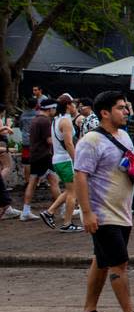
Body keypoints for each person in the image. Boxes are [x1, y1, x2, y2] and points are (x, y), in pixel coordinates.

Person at [75, 91, 134, 312]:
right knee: (119, 263)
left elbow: (124, 165)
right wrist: (87, 213)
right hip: (102, 213)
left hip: (122, 212)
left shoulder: (124, 137)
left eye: (126, 107)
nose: (126, 112)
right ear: (105, 113)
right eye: (120, 108)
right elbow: (80, 175)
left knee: (102, 261)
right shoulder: (90, 141)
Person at [42, 94, 81, 231]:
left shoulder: (56, 120)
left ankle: (49, 212)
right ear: (68, 106)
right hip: (66, 160)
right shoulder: (66, 121)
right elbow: (69, 143)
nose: (75, 106)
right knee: (73, 192)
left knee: (69, 190)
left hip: (57, 159)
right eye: (73, 104)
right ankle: (67, 223)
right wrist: (77, 160)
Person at [23, 96, 61, 223]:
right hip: (44, 155)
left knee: (33, 182)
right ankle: (64, 209)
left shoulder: (35, 120)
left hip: (35, 155)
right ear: (50, 109)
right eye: (54, 109)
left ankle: (26, 211)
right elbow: (49, 140)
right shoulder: (45, 121)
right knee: (54, 181)